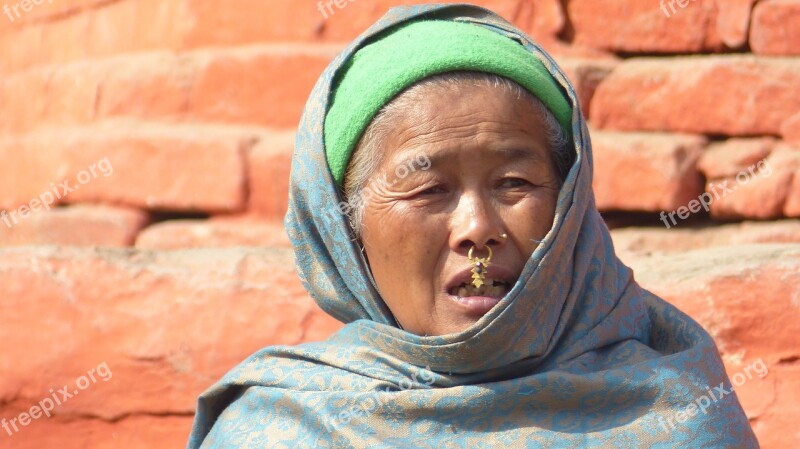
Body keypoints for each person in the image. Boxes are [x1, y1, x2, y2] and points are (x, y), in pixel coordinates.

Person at [187, 4, 758, 448]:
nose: (477, 229)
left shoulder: (678, 410)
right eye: (428, 190)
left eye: (514, 183)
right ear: (345, 232)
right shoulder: (279, 429)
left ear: (570, 203)